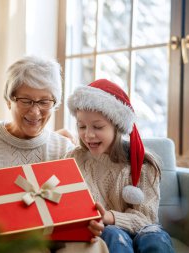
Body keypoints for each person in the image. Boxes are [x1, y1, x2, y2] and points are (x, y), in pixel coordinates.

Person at [0, 56, 109, 253]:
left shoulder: (64, 149)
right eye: (26, 101)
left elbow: (75, 210)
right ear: (9, 100)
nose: (35, 112)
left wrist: (91, 223)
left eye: (44, 101)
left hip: (59, 239)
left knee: (91, 246)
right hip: (3, 243)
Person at [66, 79, 175, 253]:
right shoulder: (75, 159)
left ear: (116, 127)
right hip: (105, 233)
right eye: (81, 126)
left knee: (156, 237)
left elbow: (146, 219)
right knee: (113, 234)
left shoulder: (144, 164)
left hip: (144, 229)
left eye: (98, 126)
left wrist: (109, 216)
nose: (88, 134)